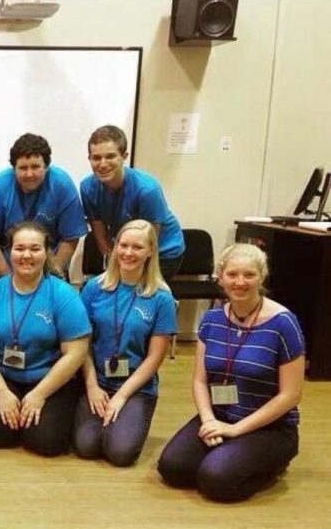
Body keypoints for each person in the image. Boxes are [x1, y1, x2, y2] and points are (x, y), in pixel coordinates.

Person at [158, 243, 304, 502]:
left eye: (249, 275)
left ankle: (271, 464)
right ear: (220, 277)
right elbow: (200, 381)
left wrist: (235, 430)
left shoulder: (284, 323)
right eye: (233, 274)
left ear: (262, 277)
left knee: (215, 482)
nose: (240, 282)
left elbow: (290, 395)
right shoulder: (212, 319)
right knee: (173, 469)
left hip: (269, 427)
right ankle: (228, 456)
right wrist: (208, 421)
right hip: (219, 415)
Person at [0, 221, 90, 455]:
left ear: (47, 253)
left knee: (46, 443)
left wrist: (39, 395)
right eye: (19, 248)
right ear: (9, 252)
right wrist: (2, 393)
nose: (27, 255)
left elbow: (75, 353)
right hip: (5, 376)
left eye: (35, 249)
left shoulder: (63, 295)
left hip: (47, 377)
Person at [73, 220, 176, 467]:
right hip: (96, 379)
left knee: (119, 454)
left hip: (135, 385)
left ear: (150, 251)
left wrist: (121, 396)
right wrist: (92, 387)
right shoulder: (93, 288)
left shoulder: (161, 297)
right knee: (86, 447)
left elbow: (154, 358)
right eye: (123, 245)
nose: (128, 253)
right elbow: (81, 345)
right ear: (115, 246)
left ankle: (125, 416)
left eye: (137, 247)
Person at [81, 125, 185, 279]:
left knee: (141, 294)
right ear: (89, 159)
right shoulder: (87, 187)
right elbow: (100, 234)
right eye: (96, 158)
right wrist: (112, 263)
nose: (103, 164)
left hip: (162, 251)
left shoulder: (147, 189)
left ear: (124, 156)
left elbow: (150, 240)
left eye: (110, 156)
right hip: (127, 249)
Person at [0, 133, 86, 278]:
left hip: (50, 266)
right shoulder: (0, 186)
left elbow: (70, 237)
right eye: (23, 168)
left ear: (47, 166)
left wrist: (51, 277)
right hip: (9, 267)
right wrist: (9, 279)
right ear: (13, 168)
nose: (29, 174)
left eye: (35, 167)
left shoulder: (62, 185)